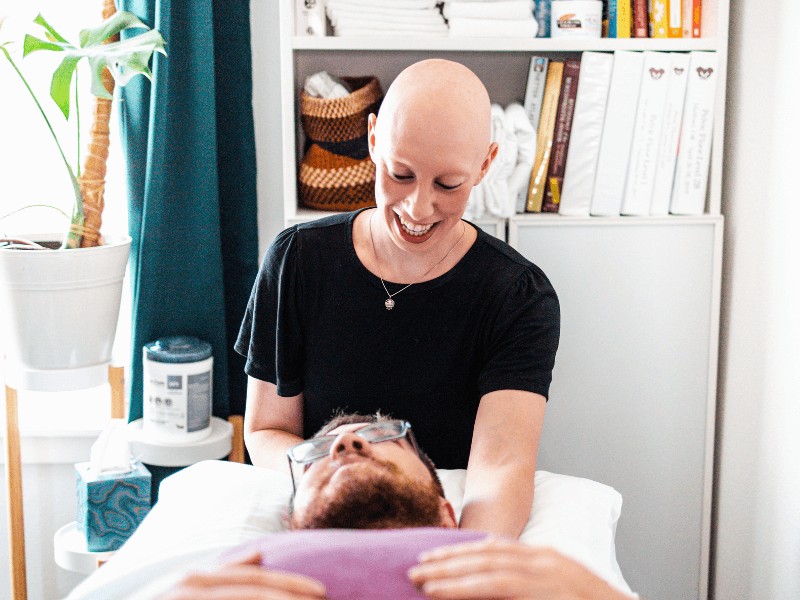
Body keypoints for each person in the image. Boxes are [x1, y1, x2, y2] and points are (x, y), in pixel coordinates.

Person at [235, 58, 561, 538]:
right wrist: (339, 490)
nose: (418, 207)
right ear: (372, 140)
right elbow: (266, 430)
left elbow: (502, 465)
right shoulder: (297, 261)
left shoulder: (517, 297)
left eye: (448, 184)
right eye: (400, 174)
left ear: (486, 164)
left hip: (429, 520)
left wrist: (465, 563)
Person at [163, 414, 635, 600]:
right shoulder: (227, 581)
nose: (346, 443)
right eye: (319, 453)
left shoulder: (525, 577)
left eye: (379, 436)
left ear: (447, 514)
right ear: (291, 525)